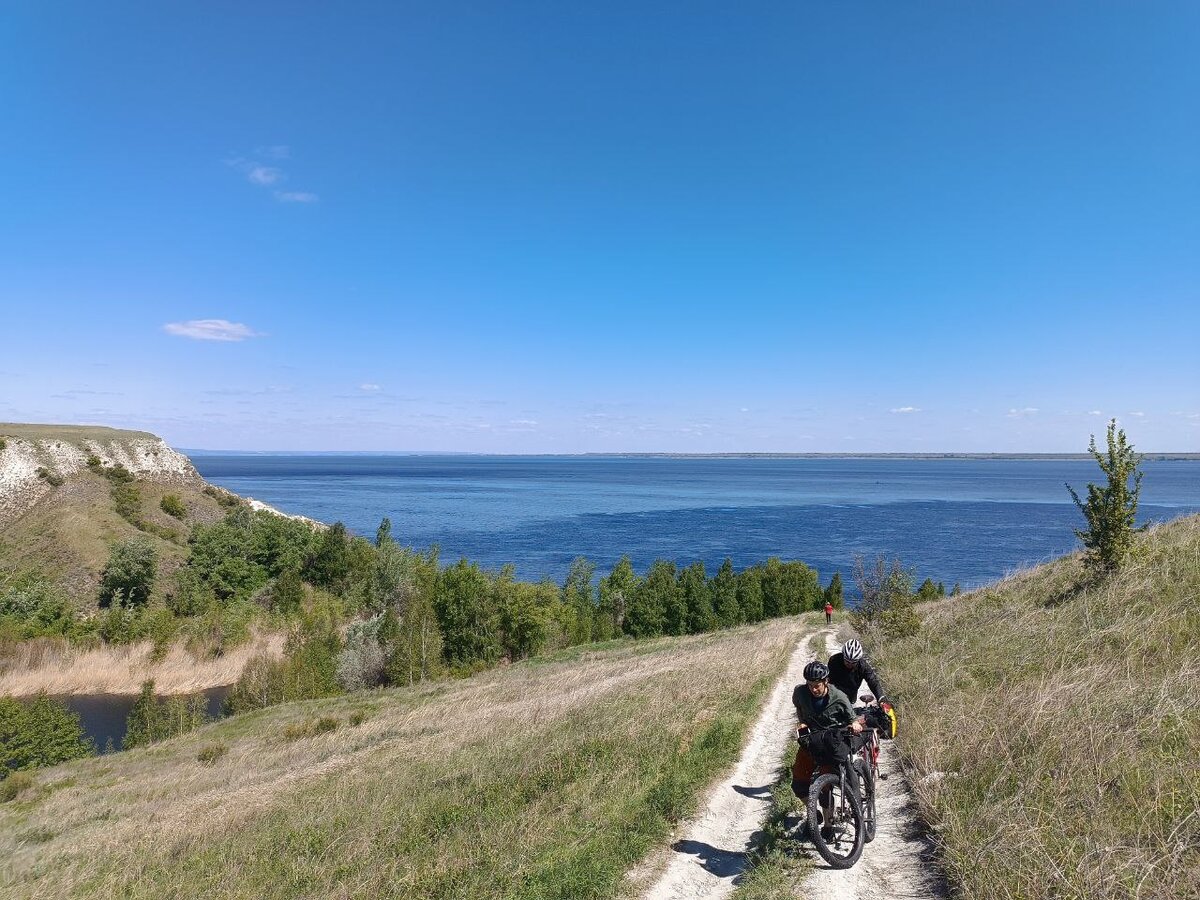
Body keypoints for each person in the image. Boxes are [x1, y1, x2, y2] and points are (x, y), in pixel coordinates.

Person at [791, 660, 863, 839]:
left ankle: (829, 826)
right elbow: (799, 709)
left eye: (817, 685)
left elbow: (852, 718)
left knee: (826, 787)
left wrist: (854, 725)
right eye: (809, 685)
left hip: (831, 743)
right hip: (811, 741)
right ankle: (814, 813)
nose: (813, 689)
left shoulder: (838, 697)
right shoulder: (800, 693)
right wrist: (801, 723)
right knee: (799, 784)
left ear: (826, 682)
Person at [827, 638, 886, 704]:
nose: (849, 664)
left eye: (853, 662)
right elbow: (828, 680)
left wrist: (881, 698)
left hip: (851, 695)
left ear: (858, 660)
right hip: (835, 693)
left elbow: (873, 681)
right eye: (847, 661)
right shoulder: (834, 661)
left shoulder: (862, 665)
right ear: (843, 655)